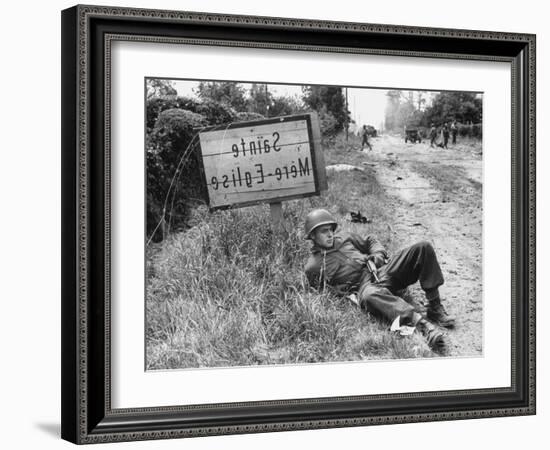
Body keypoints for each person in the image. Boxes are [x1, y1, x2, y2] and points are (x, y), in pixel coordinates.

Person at [303, 208, 455, 351]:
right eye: (324, 231)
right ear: (312, 236)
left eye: (331, 229)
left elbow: (370, 240)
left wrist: (378, 255)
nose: (330, 234)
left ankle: (434, 306)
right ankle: (422, 326)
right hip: (364, 287)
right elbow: (323, 294)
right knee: (370, 295)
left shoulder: (343, 238)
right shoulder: (313, 267)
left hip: (380, 271)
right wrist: (344, 293)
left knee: (423, 247)